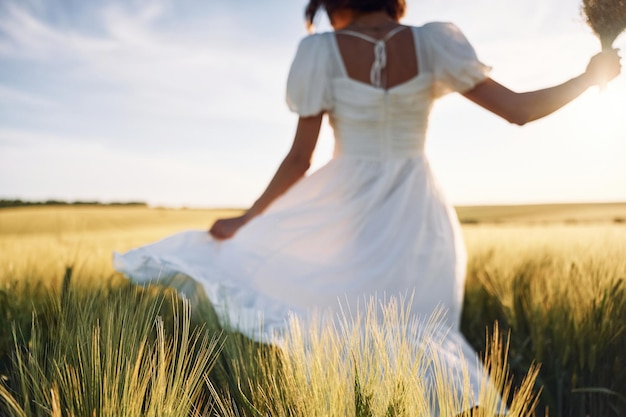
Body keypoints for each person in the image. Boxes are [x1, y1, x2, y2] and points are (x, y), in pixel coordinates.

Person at [114, 0, 621, 413]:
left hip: (344, 206)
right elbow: (520, 111)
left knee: (338, 328)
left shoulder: (317, 53)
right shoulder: (433, 42)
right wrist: (587, 79)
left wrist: (249, 221)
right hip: (418, 215)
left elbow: (298, 160)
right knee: (419, 334)